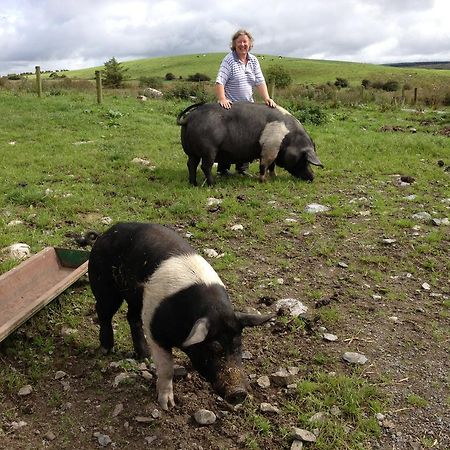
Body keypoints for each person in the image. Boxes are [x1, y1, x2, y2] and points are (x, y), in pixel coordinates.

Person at [215, 29, 276, 176]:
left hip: (249, 106)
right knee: (230, 138)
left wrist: (267, 98)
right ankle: (222, 170)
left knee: (247, 138)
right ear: (234, 44)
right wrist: (222, 98)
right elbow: (220, 81)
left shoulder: (253, 60)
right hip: (232, 107)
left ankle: (242, 169)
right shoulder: (229, 60)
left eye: (245, 42)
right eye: (239, 42)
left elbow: (260, 81)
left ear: (250, 44)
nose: (242, 44)